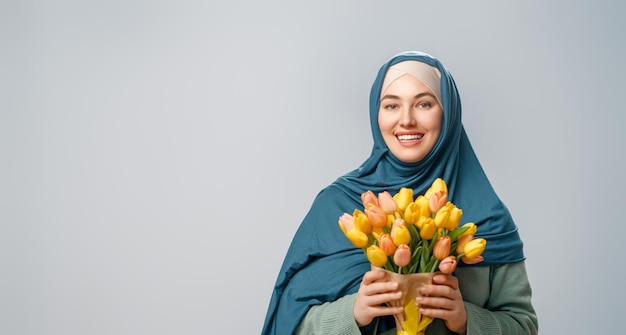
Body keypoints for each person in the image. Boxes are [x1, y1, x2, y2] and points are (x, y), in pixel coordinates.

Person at [261, 51, 538, 335]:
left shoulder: (486, 216)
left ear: (448, 113)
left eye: (424, 104)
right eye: (392, 106)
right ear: (376, 114)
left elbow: (523, 326)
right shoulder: (337, 205)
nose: (406, 120)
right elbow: (287, 325)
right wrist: (353, 313)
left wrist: (466, 319)